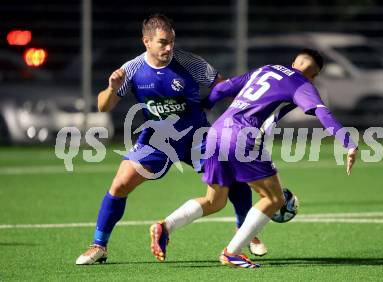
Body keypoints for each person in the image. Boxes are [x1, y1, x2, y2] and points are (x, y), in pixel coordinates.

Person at [75, 14, 267, 265]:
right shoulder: (132, 69)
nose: (169, 48)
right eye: (163, 42)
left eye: (171, 42)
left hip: (197, 136)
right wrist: (112, 88)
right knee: (120, 183)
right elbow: (103, 106)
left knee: (233, 177)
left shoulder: (189, 63)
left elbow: (223, 86)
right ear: (146, 41)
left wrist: (238, 115)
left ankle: (246, 233)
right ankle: (99, 245)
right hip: (158, 139)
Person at [149, 48, 358, 268]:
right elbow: (323, 113)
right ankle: (232, 253)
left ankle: (165, 226)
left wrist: (206, 104)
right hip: (243, 136)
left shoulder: (266, 70)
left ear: (293, 61)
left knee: (214, 200)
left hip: (216, 132)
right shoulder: (302, 84)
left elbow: (224, 87)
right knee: (275, 199)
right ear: (314, 75)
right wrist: (348, 143)